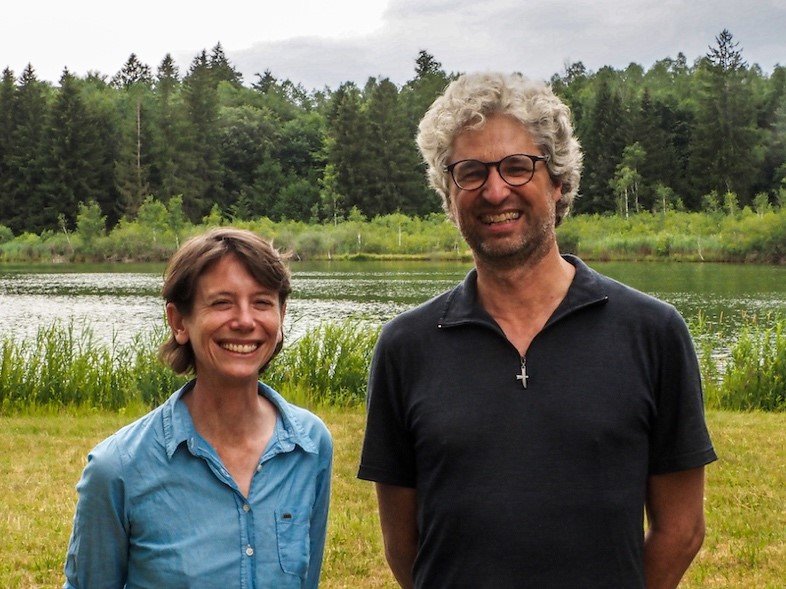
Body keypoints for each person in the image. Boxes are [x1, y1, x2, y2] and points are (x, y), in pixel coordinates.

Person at [358, 72, 717, 589]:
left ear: (558, 181)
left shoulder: (652, 332)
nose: (495, 189)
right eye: (471, 172)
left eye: (517, 167)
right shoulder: (405, 347)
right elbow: (402, 544)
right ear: (448, 191)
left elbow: (681, 531)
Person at [64, 227, 332, 588]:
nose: (245, 320)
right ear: (178, 322)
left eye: (262, 302)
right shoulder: (117, 470)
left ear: (281, 316)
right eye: (222, 302)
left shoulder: (310, 445)